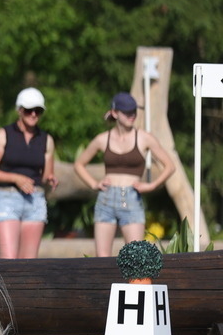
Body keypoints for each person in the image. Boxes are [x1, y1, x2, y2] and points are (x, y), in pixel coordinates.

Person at [73, 92, 176, 257]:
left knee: (135, 257)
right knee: (102, 259)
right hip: (106, 199)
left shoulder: (144, 138)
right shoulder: (102, 139)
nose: (132, 115)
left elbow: (170, 166)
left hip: (132, 198)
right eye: (127, 112)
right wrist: (93, 184)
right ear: (115, 113)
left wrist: (152, 185)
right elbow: (79, 164)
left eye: (134, 111)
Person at [0, 87, 59, 259]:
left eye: (38, 111)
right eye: (29, 110)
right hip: (7, 199)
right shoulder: (3, 134)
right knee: (8, 259)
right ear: (20, 110)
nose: (33, 115)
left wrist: (50, 179)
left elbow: (46, 175)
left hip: (35, 200)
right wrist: (15, 178)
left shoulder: (46, 140)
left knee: (29, 263)